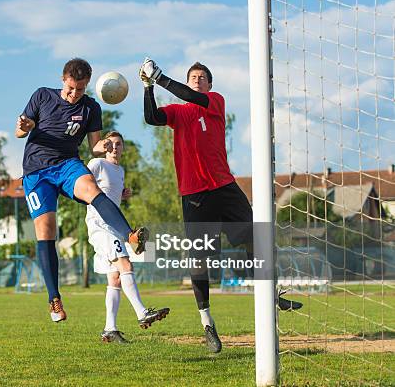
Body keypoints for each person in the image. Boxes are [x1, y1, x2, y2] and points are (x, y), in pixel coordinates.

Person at [139, 58, 302, 353]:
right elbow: (151, 118)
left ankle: (271, 295)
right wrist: (148, 86)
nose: (198, 79)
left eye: (202, 77)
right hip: (195, 194)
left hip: (225, 187)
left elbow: (191, 96)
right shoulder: (178, 112)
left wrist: (160, 78)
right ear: (187, 81)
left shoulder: (214, 101)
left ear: (210, 85)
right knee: (199, 261)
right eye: (193, 76)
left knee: (257, 238)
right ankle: (207, 324)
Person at [16, 58, 148, 323]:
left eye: (80, 89)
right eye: (70, 88)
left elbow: (94, 147)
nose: (74, 94)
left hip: (67, 164)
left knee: (91, 188)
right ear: (63, 80)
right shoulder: (42, 96)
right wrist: (24, 126)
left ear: (87, 85)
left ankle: (130, 236)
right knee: (46, 231)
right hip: (36, 171)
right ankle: (54, 299)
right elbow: (21, 131)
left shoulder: (91, 108)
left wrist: (107, 146)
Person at [86, 131, 169, 343]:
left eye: (119, 144)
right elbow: (83, 185)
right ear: (103, 146)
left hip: (113, 226)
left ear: (123, 148)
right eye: (110, 143)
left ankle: (109, 329)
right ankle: (142, 313)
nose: (114, 147)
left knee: (114, 278)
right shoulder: (97, 163)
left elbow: (108, 193)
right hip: (99, 224)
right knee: (126, 265)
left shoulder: (120, 170)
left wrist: (121, 194)